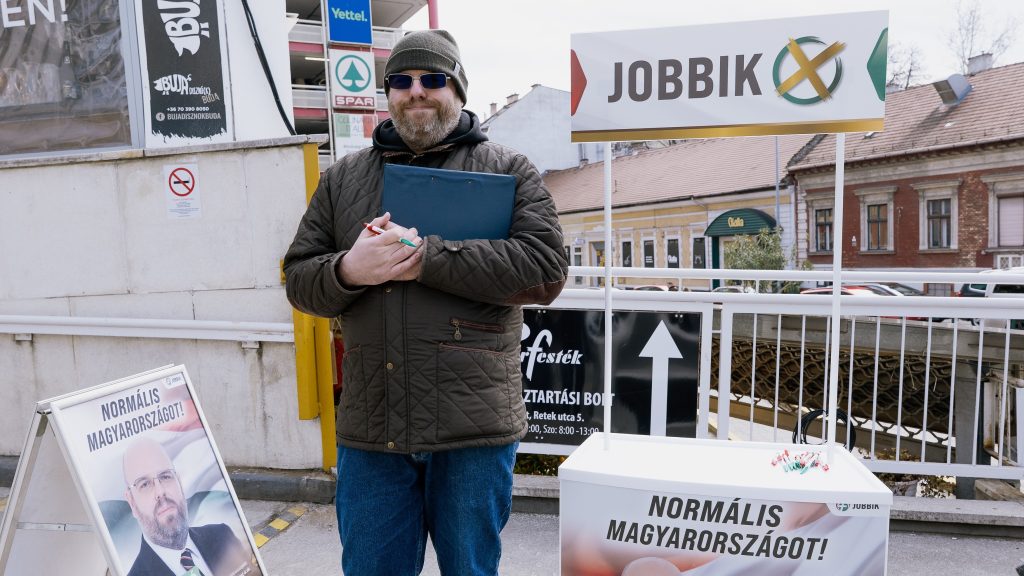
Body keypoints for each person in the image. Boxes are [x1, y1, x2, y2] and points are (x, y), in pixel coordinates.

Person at [283, 29, 568, 576]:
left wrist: (427, 258)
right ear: (388, 93)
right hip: (373, 429)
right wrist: (348, 270)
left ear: (457, 89)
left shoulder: (508, 168)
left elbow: (545, 269)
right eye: (401, 81)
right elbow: (299, 278)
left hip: (473, 431)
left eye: (432, 79)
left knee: (470, 570)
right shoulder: (342, 180)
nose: (416, 91)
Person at [122, 437, 257, 576]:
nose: (160, 492)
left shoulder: (222, 536)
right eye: (144, 484)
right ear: (132, 503)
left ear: (179, 482)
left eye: (165, 476)